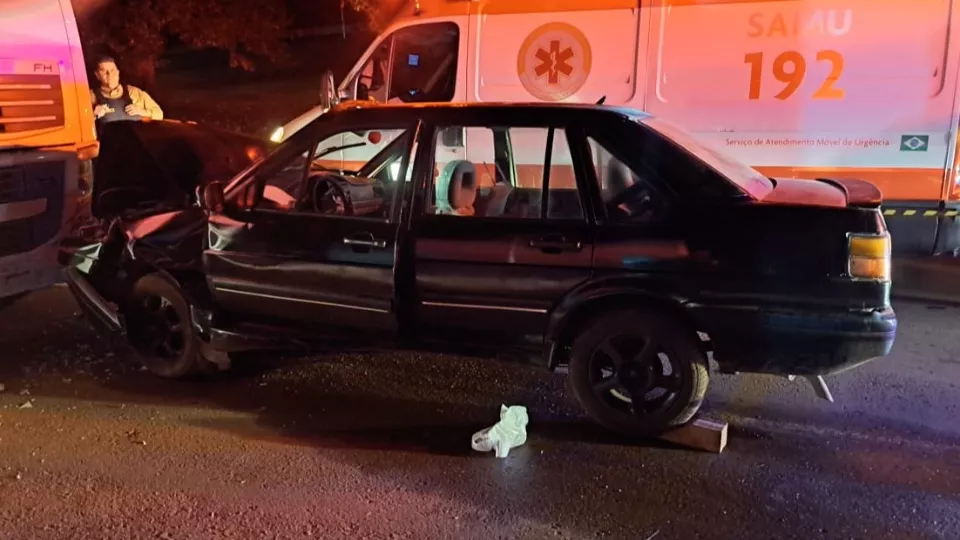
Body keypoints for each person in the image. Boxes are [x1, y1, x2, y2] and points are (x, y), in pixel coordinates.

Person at [90, 56, 163, 124]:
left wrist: (142, 111)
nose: (109, 74)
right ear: (97, 75)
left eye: (112, 70)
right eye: (103, 71)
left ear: (118, 72)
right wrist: (93, 115)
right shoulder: (90, 96)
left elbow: (159, 114)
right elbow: (84, 124)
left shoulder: (134, 92)